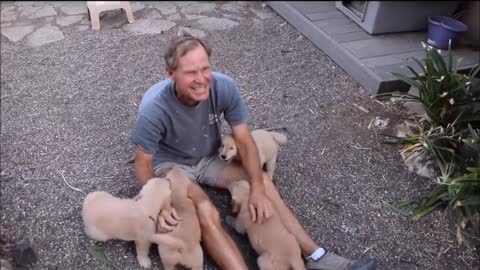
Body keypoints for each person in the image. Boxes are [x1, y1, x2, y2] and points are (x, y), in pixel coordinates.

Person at [129, 32, 377, 270]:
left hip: (210, 156)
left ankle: (316, 255)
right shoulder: (154, 109)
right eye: (190, 72)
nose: (202, 79)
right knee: (205, 210)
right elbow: (143, 165)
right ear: (171, 74)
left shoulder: (224, 86)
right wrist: (158, 204)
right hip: (173, 166)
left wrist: (257, 189)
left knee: (264, 183)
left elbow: (245, 141)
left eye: (205, 68)